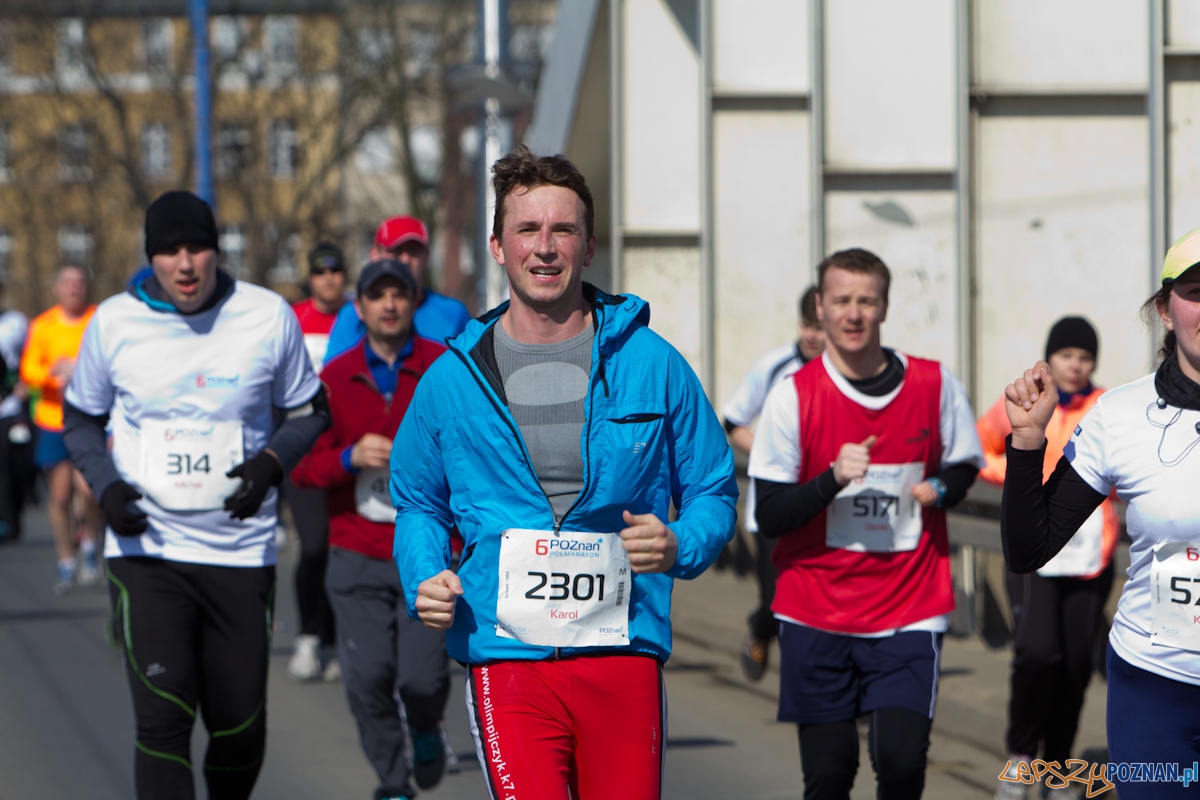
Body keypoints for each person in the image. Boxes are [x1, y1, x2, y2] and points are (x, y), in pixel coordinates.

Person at [391, 146, 737, 799]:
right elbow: (417, 501)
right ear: (497, 245)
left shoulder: (652, 364)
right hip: (507, 657)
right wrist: (422, 573)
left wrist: (679, 543)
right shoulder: (451, 380)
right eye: (527, 229)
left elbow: (714, 487)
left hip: (623, 652)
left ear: (589, 245)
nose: (544, 248)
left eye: (562, 230)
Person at [62, 190, 328, 800]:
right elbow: (79, 421)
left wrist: (269, 464)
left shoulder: (266, 316)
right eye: (169, 251)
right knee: (162, 721)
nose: (185, 264)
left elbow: (310, 410)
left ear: (216, 250)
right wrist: (106, 488)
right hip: (146, 551)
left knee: (239, 728)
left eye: (197, 247)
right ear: (151, 258)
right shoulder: (114, 323)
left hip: (239, 552)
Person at [749, 247, 984, 800]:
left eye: (866, 301)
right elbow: (770, 514)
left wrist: (941, 487)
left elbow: (966, 465)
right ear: (820, 307)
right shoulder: (792, 398)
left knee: (901, 764)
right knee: (829, 776)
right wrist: (831, 479)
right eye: (841, 301)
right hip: (815, 609)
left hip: (910, 608)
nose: (854, 313)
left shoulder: (933, 384)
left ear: (883, 307)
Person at [1002, 227, 1200, 799]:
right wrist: (1026, 443)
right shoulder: (1119, 415)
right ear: (1166, 309)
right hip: (1156, 688)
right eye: (1196, 290)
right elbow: (1028, 547)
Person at [292, 259, 449, 800]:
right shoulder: (333, 380)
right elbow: (303, 467)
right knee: (367, 679)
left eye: (398, 294)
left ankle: (426, 726)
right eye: (376, 295)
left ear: (413, 302)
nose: (388, 304)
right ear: (358, 308)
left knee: (422, 680)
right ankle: (391, 780)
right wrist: (347, 457)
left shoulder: (444, 368)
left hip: (428, 556)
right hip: (356, 550)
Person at [977, 317, 1118, 800]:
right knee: (1038, 653)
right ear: (1049, 360)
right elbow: (985, 449)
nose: (1075, 365)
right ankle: (1020, 756)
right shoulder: (1029, 401)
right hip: (1038, 554)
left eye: (1084, 357)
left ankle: (1057, 765)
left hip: (1089, 558)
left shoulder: (1107, 408)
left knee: (1076, 663)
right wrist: (1018, 477)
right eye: (1065, 356)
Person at [723, 285, 824, 681]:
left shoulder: (845, 370)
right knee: (778, 598)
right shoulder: (775, 366)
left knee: (816, 595)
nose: (812, 335)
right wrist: (771, 455)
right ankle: (761, 630)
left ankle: (820, 681)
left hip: (822, 503)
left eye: (819, 327)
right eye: (806, 325)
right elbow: (732, 422)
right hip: (777, 502)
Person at [286, 242, 349, 682]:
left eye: (336, 271)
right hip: (301, 447)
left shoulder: (357, 316)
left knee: (341, 546)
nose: (328, 278)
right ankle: (310, 635)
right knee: (312, 546)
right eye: (320, 272)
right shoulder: (292, 319)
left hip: (345, 448)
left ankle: (336, 638)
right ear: (310, 277)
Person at [21, 263, 103, 592]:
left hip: (92, 416)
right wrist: (53, 373)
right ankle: (66, 561)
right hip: (54, 418)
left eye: (80, 283)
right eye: (67, 283)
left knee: (89, 490)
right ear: (57, 288)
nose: (74, 288)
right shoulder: (43, 325)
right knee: (59, 494)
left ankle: (91, 547)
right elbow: (29, 371)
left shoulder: (99, 319)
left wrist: (81, 369)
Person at [322, 216, 470, 363]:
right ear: (375, 254)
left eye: (414, 251)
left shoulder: (453, 314)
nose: (405, 259)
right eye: (396, 250)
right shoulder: (353, 314)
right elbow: (335, 378)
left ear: (427, 257)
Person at [0, 281, 31, 543]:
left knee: (9, 468)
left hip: (9, 409)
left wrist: (23, 383)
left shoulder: (16, 323)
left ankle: (10, 521)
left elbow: (28, 358)